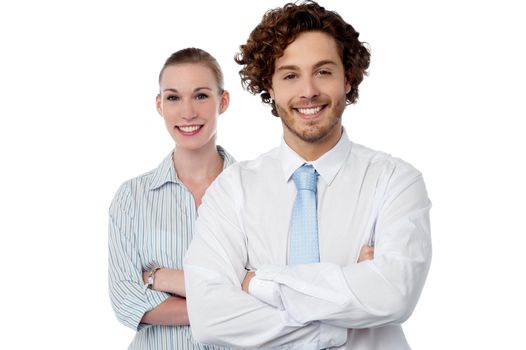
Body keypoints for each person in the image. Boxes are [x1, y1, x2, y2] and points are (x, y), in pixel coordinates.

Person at [184, 1, 432, 349]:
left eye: (324, 71)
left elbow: (394, 294)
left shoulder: (395, 182)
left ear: (348, 79)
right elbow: (210, 319)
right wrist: (343, 308)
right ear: (269, 87)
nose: (308, 91)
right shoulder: (232, 189)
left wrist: (258, 283)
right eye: (290, 75)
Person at [108, 48, 234, 349]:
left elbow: (269, 292)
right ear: (159, 105)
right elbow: (126, 300)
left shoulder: (256, 191)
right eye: (173, 97)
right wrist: (228, 303)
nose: (187, 112)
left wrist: (161, 278)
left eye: (201, 95)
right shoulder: (132, 198)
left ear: (223, 101)